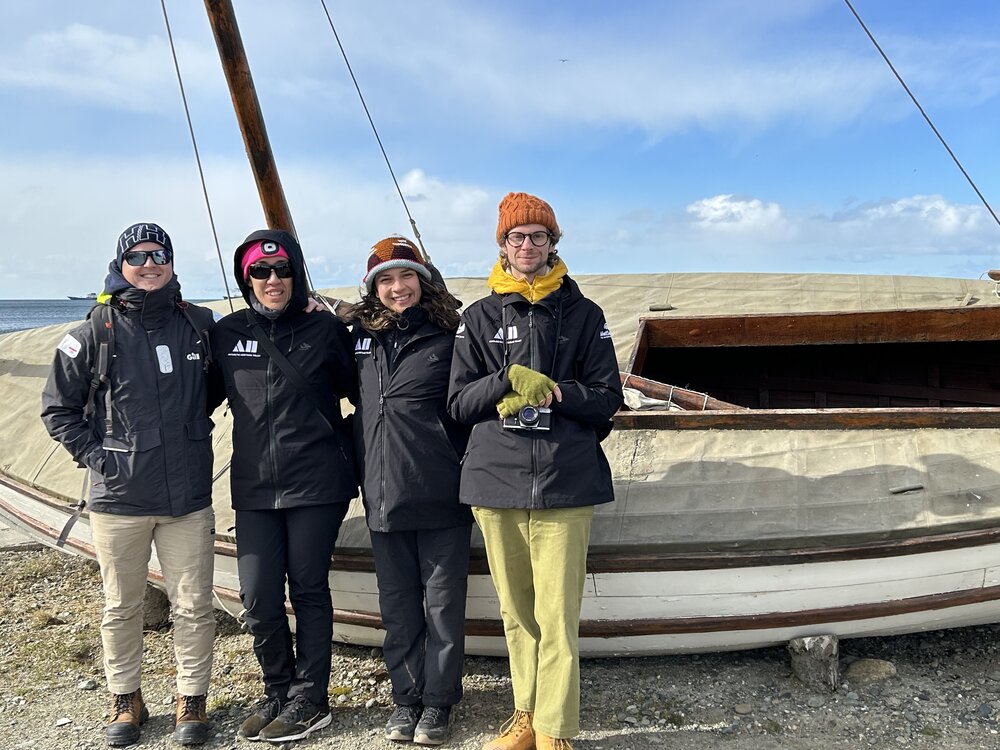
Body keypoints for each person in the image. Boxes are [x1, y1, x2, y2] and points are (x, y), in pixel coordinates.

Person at [447, 193, 623, 750]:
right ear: (502, 245)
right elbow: (457, 404)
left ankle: (555, 728)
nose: (527, 246)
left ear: (554, 243)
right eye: (516, 237)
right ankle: (525, 715)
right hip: (496, 483)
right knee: (516, 611)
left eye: (538, 236)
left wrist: (556, 393)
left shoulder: (585, 314)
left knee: (557, 614)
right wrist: (505, 380)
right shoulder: (475, 318)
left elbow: (605, 399)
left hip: (565, 482)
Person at [41, 222, 217, 748]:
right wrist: (101, 459)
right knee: (122, 605)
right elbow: (59, 410)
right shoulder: (92, 333)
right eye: (137, 255)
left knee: (194, 604)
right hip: (119, 499)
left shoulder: (200, 325)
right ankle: (126, 699)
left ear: (171, 262)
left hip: (186, 498)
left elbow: (224, 383)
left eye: (159, 253)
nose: (149, 262)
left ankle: (192, 698)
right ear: (121, 265)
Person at [209, 229, 358, 744]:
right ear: (245, 276)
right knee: (258, 595)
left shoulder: (324, 331)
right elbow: (193, 397)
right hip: (254, 486)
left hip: (317, 481)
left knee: (309, 588)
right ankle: (276, 689)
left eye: (283, 270)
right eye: (260, 271)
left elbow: (364, 390)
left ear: (297, 273)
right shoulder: (226, 333)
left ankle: (310, 699)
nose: (273, 280)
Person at [348, 236, 472, 746]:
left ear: (423, 281)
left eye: (406, 277)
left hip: (441, 492)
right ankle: (406, 699)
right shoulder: (357, 338)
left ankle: (439, 704)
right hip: (382, 494)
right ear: (374, 288)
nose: (397, 288)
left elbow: (470, 406)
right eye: (386, 279)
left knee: (443, 607)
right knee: (397, 606)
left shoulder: (451, 337)